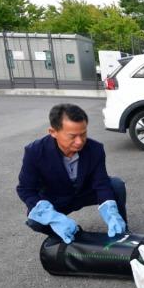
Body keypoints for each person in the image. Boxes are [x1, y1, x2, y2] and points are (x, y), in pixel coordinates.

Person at [17, 103, 127, 244]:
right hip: (56, 199)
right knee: (35, 220)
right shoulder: (35, 152)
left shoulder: (95, 149)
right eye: (72, 136)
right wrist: (53, 217)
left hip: (84, 193)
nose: (79, 141)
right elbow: (26, 190)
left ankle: (121, 232)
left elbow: (101, 184)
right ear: (53, 132)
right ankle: (68, 234)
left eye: (83, 134)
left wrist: (112, 213)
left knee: (116, 185)